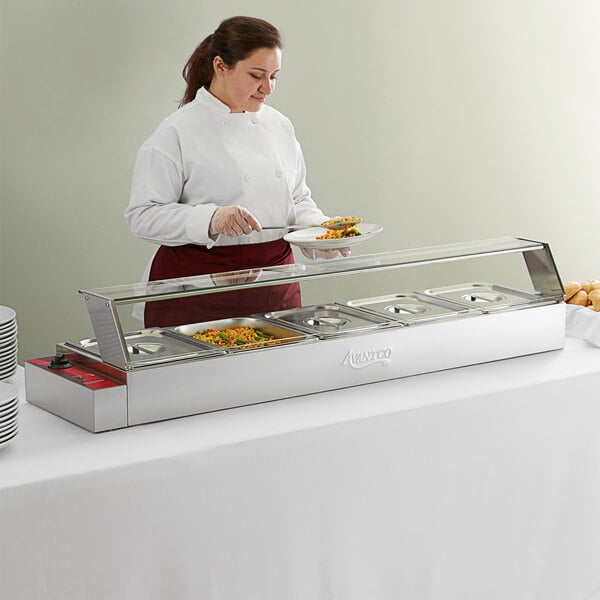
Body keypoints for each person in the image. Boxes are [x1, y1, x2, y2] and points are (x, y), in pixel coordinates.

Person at [125, 15, 346, 327]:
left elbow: (296, 200)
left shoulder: (278, 125)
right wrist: (211, 219)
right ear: (220, 66)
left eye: (275, 76)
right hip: (197, 289)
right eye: (257, 75)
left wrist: (321, 234)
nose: (268, 88)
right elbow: (142, 215)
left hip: (273, 283)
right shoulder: (177, 131)